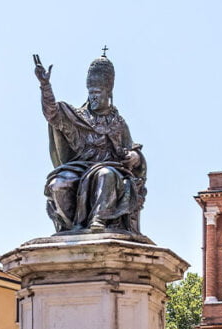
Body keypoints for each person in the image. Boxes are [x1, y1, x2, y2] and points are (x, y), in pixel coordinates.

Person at [34, 52, 147, 235]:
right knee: (57, 183)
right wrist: (45, 85)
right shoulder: (78, 117)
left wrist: (134, 157)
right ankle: (70, 229)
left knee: (105, 174)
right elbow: (52, 114)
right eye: (91, 92)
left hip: (111, 168)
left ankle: (98, 219)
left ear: (108, 93)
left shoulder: (118, 123)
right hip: (79, 168)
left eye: (97, 92)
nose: (93, 97)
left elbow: (133, 150)